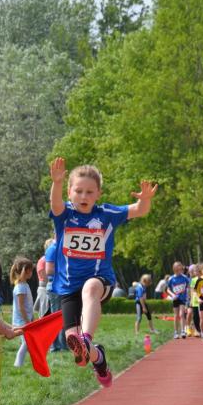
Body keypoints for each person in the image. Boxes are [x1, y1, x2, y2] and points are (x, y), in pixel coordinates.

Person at [49, 156, 157, 386]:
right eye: (78, 191)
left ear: (98, 193)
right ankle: (98, 358)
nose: (84, 196)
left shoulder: (106, 214)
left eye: (90, 192)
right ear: (69, 192)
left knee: (90, 288)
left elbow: (139, 210)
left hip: (100, 282)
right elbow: (55, 204)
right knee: (75, 347)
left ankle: (87, 339)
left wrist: (146, 200)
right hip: (69, 287)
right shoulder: (65, 215)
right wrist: (57, 182)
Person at [45, 236, 69, 352]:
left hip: (61, 287)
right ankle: (57, 346)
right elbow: (49, 270)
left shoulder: (59, 248)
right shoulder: (53, 248)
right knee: (57, 318)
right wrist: (66, 271)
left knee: (62, 317)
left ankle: (60, 345)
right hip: (55, 288)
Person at [11, 257, 34, 367]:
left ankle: (28, 362)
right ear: (27, 271)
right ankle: (17, 364)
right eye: (31, 270)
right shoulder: (20, 287)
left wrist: (31, 318)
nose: (32, 273)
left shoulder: (24, 285)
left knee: (28, 342)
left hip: (26, 319)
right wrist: (27, 321)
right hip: (22, 321)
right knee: (27, 342)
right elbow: (21, 307)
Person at [167, 261, 190, 339]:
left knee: (181, 314)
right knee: (176, 315)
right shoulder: (171, 278)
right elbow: (168, 289)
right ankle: (176, 332)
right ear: (174, 268)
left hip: (182, 299)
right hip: (175, 299)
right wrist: (173, 295)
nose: (179, 268)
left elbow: (188, 287)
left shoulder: (185, 277)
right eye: (178, 267)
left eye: (180, 267)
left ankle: (183, 331)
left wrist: (188, 297)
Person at [34, 239, 53, 318]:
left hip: (50, 289)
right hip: (45, 290)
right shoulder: (43, 260)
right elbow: (44, 277)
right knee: (44, 315)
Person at [186, 264, 201, 337]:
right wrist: (190, 300)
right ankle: (188, 327)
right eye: (191, 271)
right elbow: (190, 291)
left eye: (194, 271)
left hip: (199, 299)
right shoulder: (189, 279)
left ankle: (196, 329)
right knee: (189, 313)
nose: (192, 272)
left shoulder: (200, 279)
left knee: (197, 315)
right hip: (190, 298)